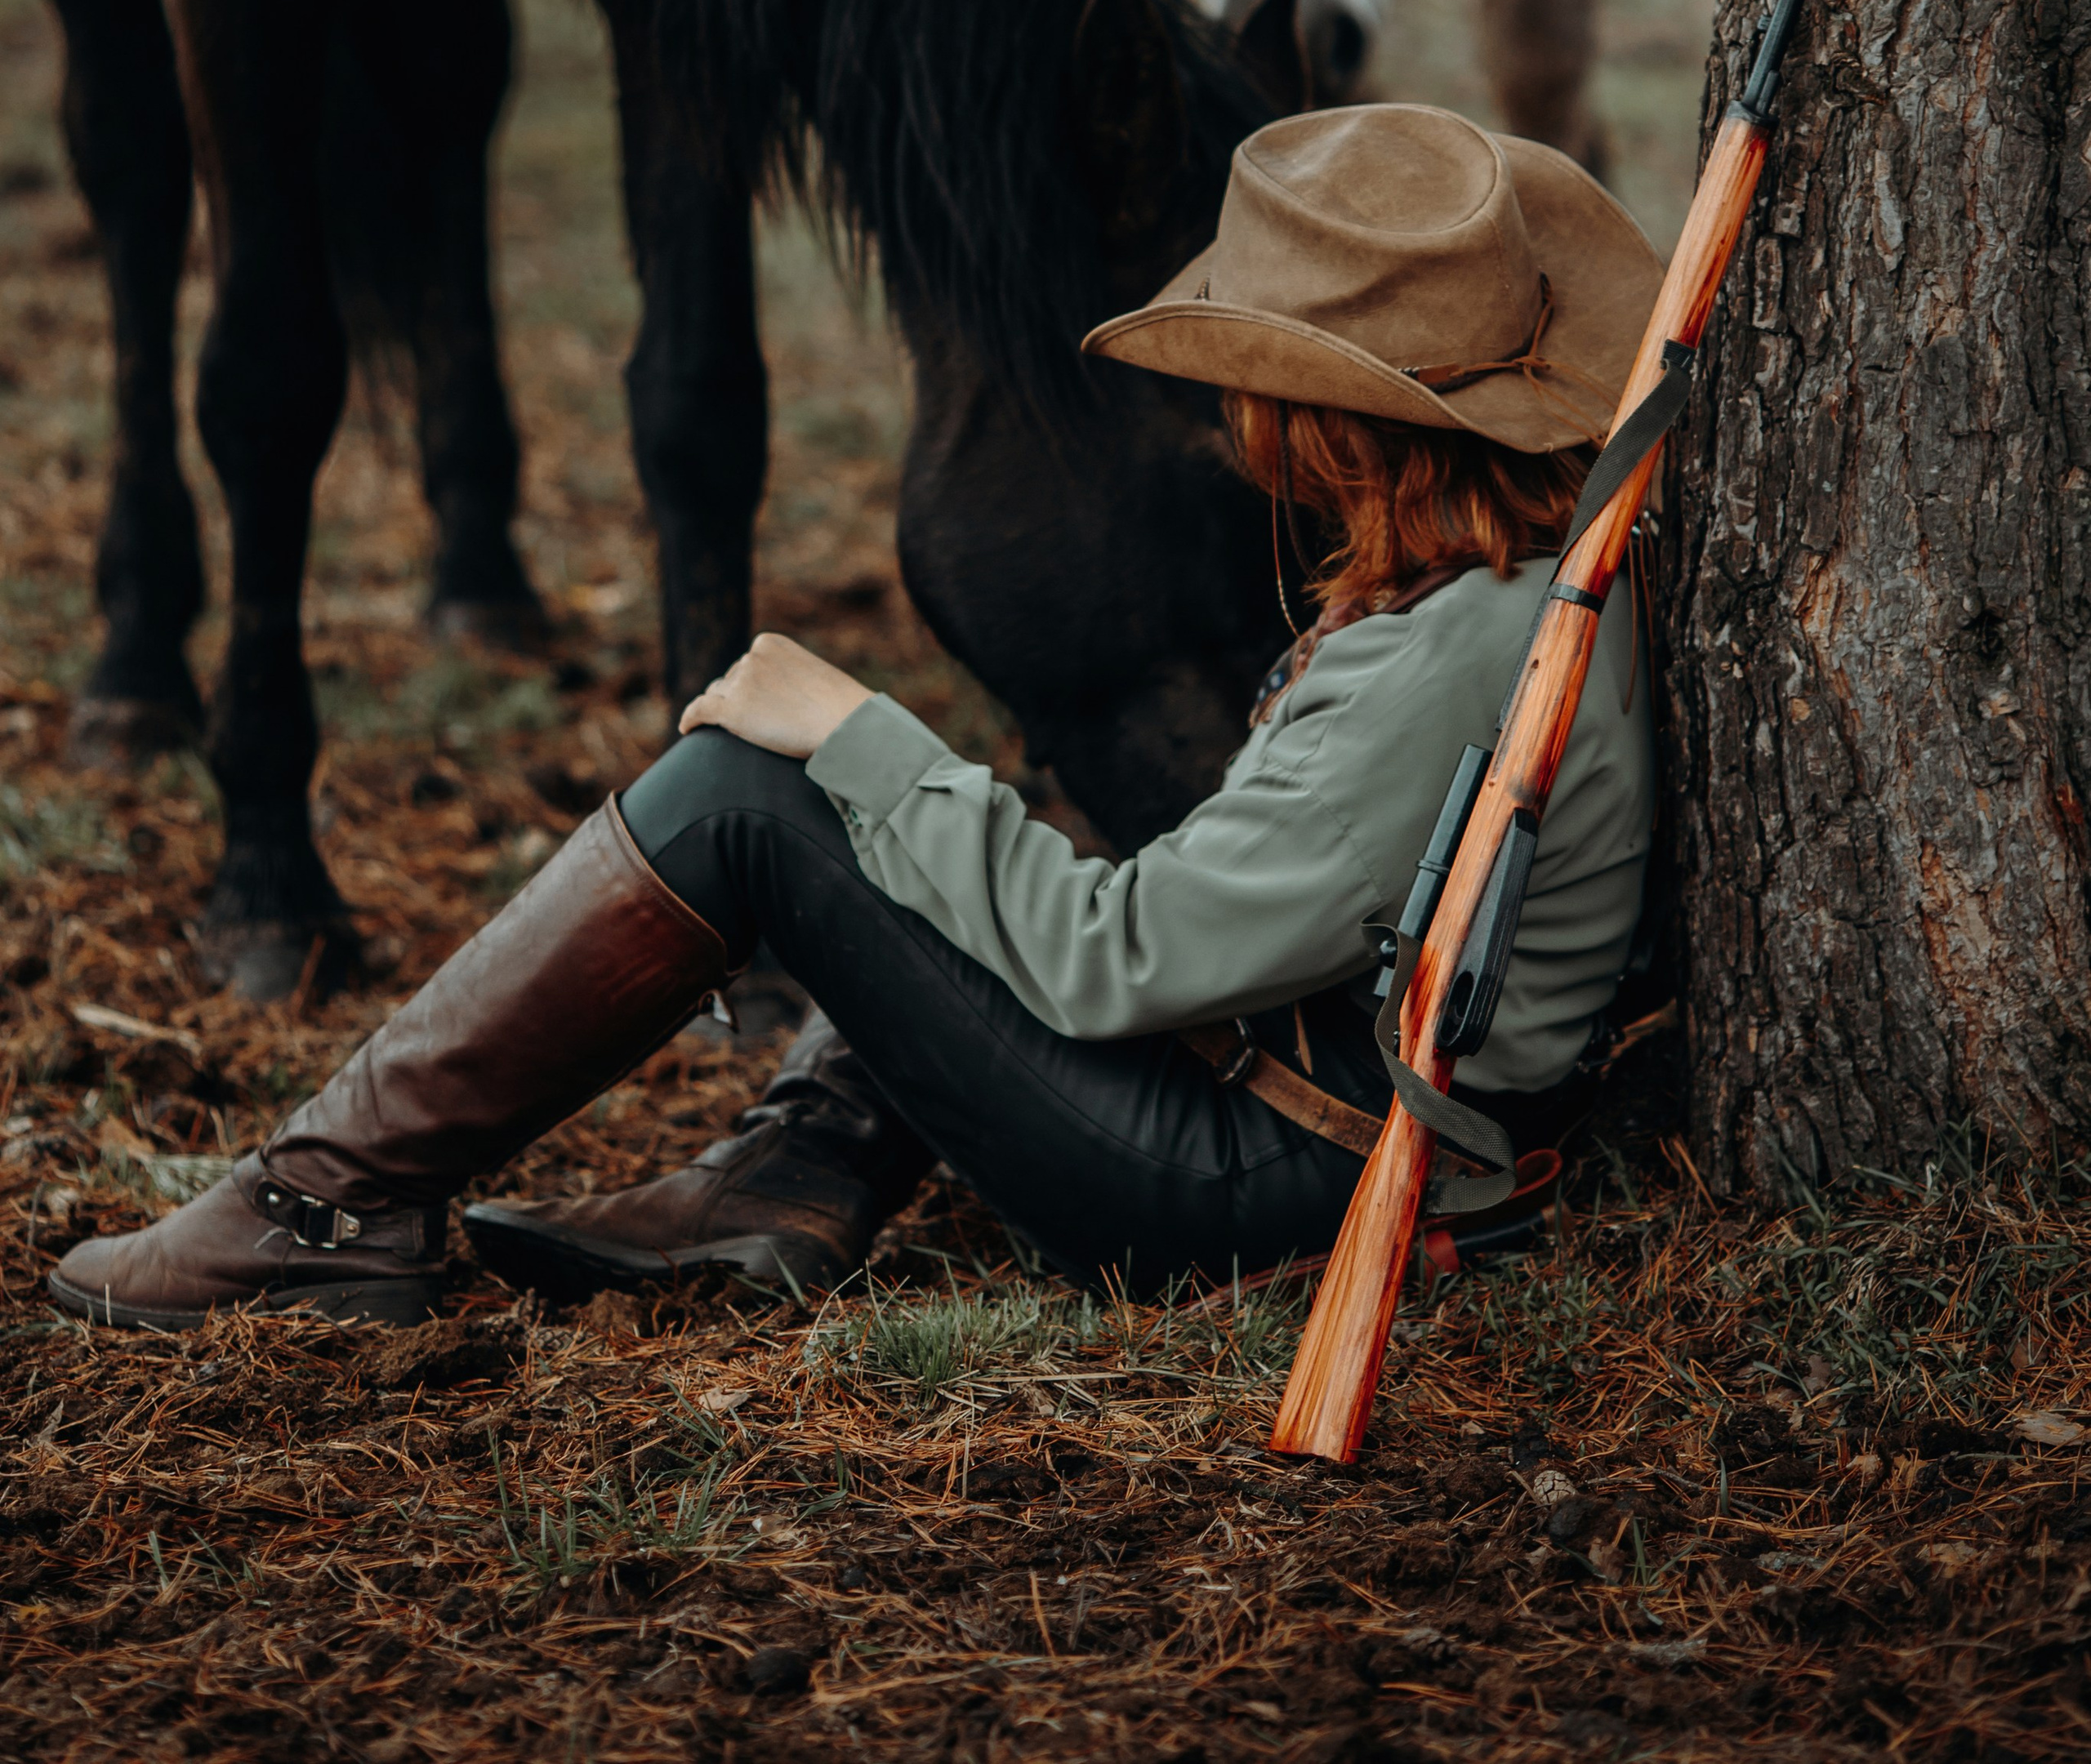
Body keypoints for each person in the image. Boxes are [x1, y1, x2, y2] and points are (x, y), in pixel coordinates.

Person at [50, 105, 1660, 1330]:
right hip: (1314, 1116)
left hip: (1265, 1179)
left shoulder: (1447, 653)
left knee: (745, 796)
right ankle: (791, 1180)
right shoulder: (1510, 592)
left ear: (1332, 419)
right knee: (970, 813)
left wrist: (849, 727)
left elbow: (1123, 959)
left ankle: (321, 1207)